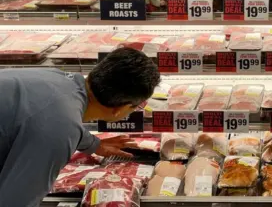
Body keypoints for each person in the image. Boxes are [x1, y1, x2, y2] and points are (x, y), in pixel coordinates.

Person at [0, 47, 160, 207]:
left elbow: (47, 114)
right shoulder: (57, 131)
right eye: (138, 106)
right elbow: (14, 201)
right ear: (121, 108)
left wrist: (93, 144)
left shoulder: (57, 77)